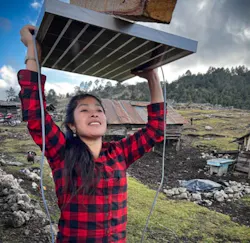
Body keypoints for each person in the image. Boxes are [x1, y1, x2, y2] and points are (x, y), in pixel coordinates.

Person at [18, 25, 166, 243]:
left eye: (99, 110)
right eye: (84, 110)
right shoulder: (62, 153)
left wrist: (152, 77)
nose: (94, 114)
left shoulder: (120, 153)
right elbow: (34, 113)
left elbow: (156, 130)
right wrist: (32, 51)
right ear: (72, 126)